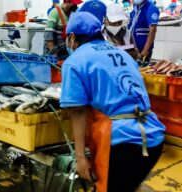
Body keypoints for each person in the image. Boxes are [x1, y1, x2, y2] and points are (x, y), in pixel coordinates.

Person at [60, 12, 165, 192]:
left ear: (72, 37)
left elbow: (78, 111)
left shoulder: (74, 61)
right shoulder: (122, 54)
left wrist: (79, 157)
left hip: (123, 143)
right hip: (153, 137)